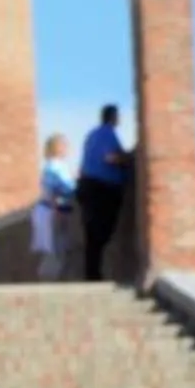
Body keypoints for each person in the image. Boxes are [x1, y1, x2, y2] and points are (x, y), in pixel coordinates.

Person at [76, 103, 134, 283]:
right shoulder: (107, 133)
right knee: (101, 230)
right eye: (118, 116)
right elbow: (110, 157)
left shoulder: (91, 135)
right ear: (113, 117)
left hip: (87, 186)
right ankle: (93, 274)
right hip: (101, 188)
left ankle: (92, 274)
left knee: (92, 233)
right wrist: (127, 160)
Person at [34, 134, 79, 282]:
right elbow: (60, 189)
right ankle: (49, 281)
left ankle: (52, 279)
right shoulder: (54, 167)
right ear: (57, 148)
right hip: (55, 209)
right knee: (56, 248)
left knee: (58, 247)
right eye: (63, 145)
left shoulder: (54, 166)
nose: (66, 149)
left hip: (56, 209)